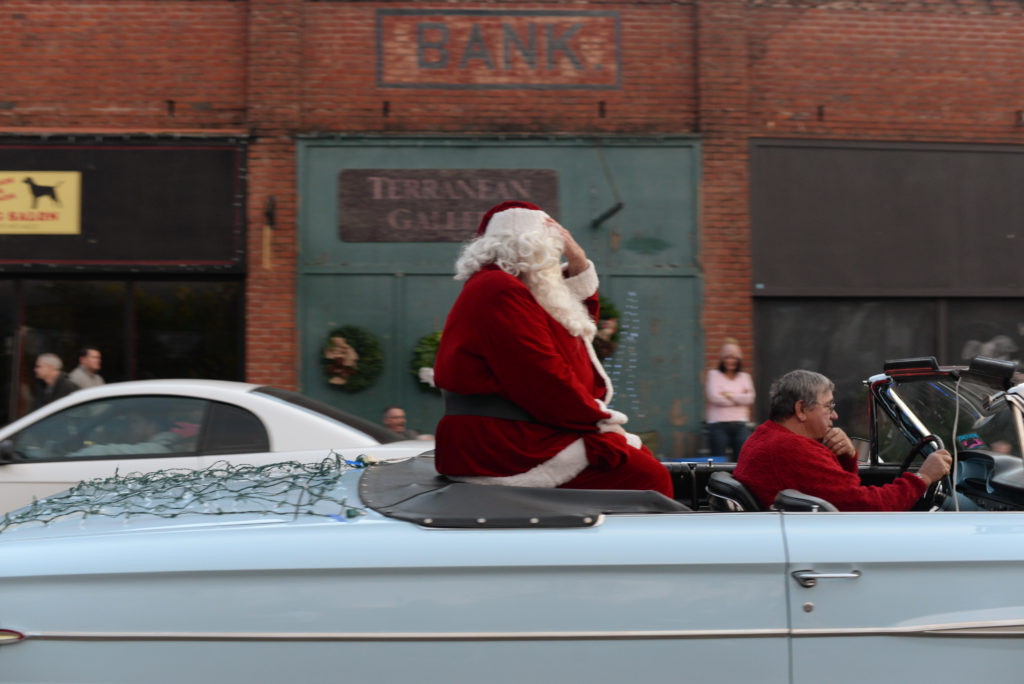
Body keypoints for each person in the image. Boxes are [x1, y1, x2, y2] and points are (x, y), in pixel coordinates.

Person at [432, 200, 672, 497]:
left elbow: (572, 339)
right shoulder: (498, 288)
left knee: (641, 463)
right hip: (504, 443)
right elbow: (543, 376)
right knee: (647, 478)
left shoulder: (508, 288)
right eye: (552, 250)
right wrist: (600, 424)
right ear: (533, 249)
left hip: (514, 435)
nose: (555, 258)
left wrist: (579, 262)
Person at [733, 369, 952, 511]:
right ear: (801, 409)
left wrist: (847, 457)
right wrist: (923, 477)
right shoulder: (794, 450)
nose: (835, 416)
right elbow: (867, 506)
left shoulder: (764, 436)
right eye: (828, 406)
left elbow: (842, 494)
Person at [705, 340, 755, 461]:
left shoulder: (745, 377)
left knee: (742, 461)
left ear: (739, 360)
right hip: (718, 425)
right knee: (717, 461)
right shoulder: (713, 375)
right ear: (722, 359)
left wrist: (727, 394)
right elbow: (714, 397)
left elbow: (750, 398)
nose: (730, 361)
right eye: (727, 357)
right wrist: (739, 397)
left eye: (734, 358)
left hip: (740, 425)